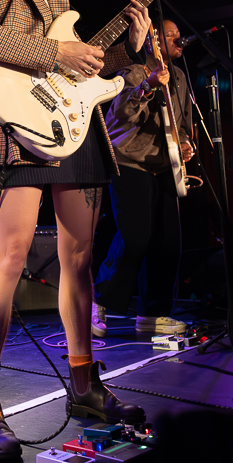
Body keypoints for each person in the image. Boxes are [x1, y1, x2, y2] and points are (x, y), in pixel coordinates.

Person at [0, 0, 150, 460]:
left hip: (72, 125)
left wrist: (130, 49)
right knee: (11, 254)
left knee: (80, 257)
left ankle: (85, 384)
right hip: (21, 126)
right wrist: (55, 53)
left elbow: (81, 67)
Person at [93, 21, 194, 337]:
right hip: (130, 162)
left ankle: (153, 314)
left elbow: (183, 124)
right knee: (135, 238)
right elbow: (121, 115)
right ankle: (99, 302)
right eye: (170, 35)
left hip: (165, 166)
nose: (179, 39)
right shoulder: (133, 73)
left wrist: (186, 144)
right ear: (152, 41)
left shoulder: (180, 78)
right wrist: (147, 86)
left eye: (179, 34)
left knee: (168, 243)